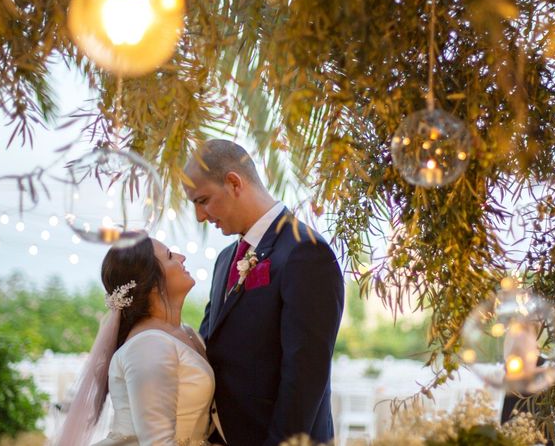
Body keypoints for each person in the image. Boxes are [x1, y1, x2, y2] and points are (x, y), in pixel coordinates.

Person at [184, 139, 345, 446]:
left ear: (234, 182)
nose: (200, 216)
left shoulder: (305, 251)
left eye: (202, 200)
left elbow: (305, 378)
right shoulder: (224, 260)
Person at [55, 237, 214, 446]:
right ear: (152, 284)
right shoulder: (148, 345)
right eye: (169, 256)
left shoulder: (187, 333)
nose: (181, 257)